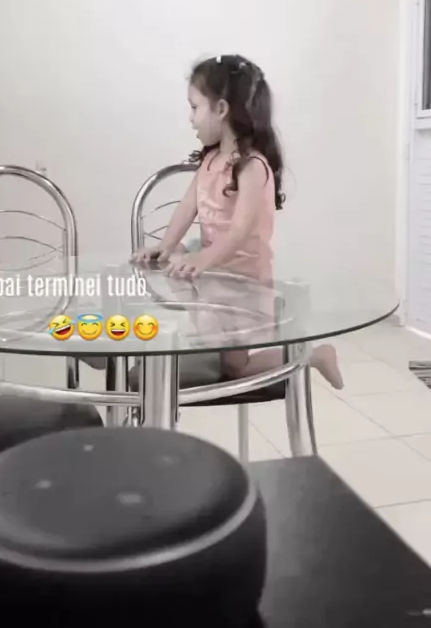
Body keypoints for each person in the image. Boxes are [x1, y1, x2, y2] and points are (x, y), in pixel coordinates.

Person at [132, 54, 343, 390]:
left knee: (236, 365)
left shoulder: (252, 166)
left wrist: (203, 257)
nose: (190, 118)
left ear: (221, 109)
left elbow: (240, 230)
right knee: (228, 361)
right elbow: (187, 207)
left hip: (245, 282)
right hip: (214, 278)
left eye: (194, 107)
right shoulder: (210, 161)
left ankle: (316, 354)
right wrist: (165, 247)